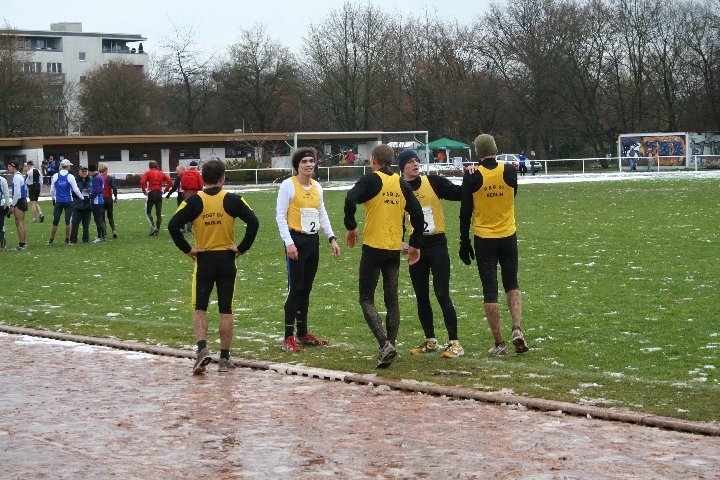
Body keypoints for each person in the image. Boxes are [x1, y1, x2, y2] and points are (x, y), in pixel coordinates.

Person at [168, 159, 260, 374]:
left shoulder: (193, 201)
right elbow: (254, 222)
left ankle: (202, 349)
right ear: (223, 178)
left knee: (200, 307)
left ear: (202, 179)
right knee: (225, 309)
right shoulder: (233, 199)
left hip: (205, 260)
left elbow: (173, 225)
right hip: (228, 258)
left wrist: (188, 249)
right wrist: (242, 248)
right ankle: (225, 358)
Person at [344, 144, 424, 369]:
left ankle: (384, 345)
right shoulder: (401, 183)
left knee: (366, 298)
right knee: (392, 299)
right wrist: (415, 243)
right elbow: (417, 213)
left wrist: (351, 227)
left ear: (373, 160)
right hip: (393, 250)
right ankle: (391, 344)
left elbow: (350, 199)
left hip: (373, 248)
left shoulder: (371, 179)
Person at [459, 133, 529, 356]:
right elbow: (513, 194)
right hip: (508, 235)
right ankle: (517, 329)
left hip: (484, 239)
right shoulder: (510, 171)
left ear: (477, 153)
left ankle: (499, 344)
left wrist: (464, 240)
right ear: (496, 150)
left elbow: (464, 212)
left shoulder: (472, 176)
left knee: (490, 291)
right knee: (512, 283)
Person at [397, 149, 464, 358]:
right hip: (416, 248)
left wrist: (473, 177)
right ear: (402, 167)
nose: (415, 165)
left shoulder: (433, 182)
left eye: (417, 161)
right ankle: (430, 340)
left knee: (442, 293)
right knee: (421, 295)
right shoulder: (398, 188)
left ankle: (455, 343)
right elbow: (394, 217)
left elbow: (458, 193)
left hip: (437, 245)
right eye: (410, 162)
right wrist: (399, 241)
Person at [276, 147, 341, 353]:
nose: (309, 165)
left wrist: (331, 238)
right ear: (297, 166)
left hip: (312, 242)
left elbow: (322, 214)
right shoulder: (288, 185)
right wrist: (288, 242)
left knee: (306, 289)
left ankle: (302, 333)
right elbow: (280, 216)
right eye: (304, 162)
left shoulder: (317, 187)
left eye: (311, 161)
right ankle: (288, 336)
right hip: (295, 240)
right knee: (295, 289)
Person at [48, 159, 85, 245]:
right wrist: (82, 198)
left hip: (59, 201)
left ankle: (51, 240)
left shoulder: (55, 176)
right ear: (68, 166)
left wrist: (53, 199)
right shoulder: (71, 176)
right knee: (68, 221)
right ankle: (67, 240)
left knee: (55, 221)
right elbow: (75, 190)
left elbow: (52, 190)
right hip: (68, 201)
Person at [140, 160, 173, 236]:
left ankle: (153, 227)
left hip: (151, 193)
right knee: (158, 214)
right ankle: (157, 230)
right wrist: (165, 190)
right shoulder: (161, 173)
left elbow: (142, 182)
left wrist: (144, 191)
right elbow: (170, 182)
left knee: (148, 212)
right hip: (159, 193)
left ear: (149, 166)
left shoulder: (148, 172)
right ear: (157, 166)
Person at [7, 160, 28, 250]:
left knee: (19, 223)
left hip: (19, 201)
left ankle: (21, 244)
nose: (8, 168)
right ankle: (23, 243)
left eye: (9, 166)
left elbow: (17, 194)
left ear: (14, 167)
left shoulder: (16, 177)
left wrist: (12, 205)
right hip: (22, 200)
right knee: (21, 223)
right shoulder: (20, 176)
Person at [69, 166, 92, 244]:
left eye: (86, 171)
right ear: (79, 171)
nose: (84, 172)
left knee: (86, 224)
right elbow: (73, 191)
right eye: (83, 171)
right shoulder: (75, 180)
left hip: (87, 205)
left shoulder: (89, 179)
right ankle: (73, 239)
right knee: (75, 224)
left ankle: (86, 239)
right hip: (77, 205)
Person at [180, 160, 203, 234]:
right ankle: (190, 228)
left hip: (185, 193)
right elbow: (200, 185)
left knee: (186, 210)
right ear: (196, 167)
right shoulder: (197, 173)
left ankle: (185, 227)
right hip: (194, 193)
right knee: (194, 210)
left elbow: (182, 185)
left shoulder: (184, 173)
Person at [99, 163, 119, 238]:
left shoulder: (97, 178)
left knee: (102, 216)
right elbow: (114, 188)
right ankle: (113, 230)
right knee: (110, 215)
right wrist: (116, 197)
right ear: (106, 169)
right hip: (108, 198)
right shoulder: (110, 177)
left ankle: (104, 233)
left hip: (101, 198)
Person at [88, 164, 106, 243]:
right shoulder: (99, 177)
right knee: (100, 219)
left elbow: (96, 190)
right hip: (100, 200)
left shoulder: (96, 178)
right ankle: (103, 236)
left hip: (96, 201)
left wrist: (89, 196)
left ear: (91, 171)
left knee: (97, 219)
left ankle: (100, 237)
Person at [0, 171, 10, 250]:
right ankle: (1, 244)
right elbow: (6, 194)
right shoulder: (2, 180)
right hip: (0, 205)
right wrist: (8, 206)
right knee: (1, 224)